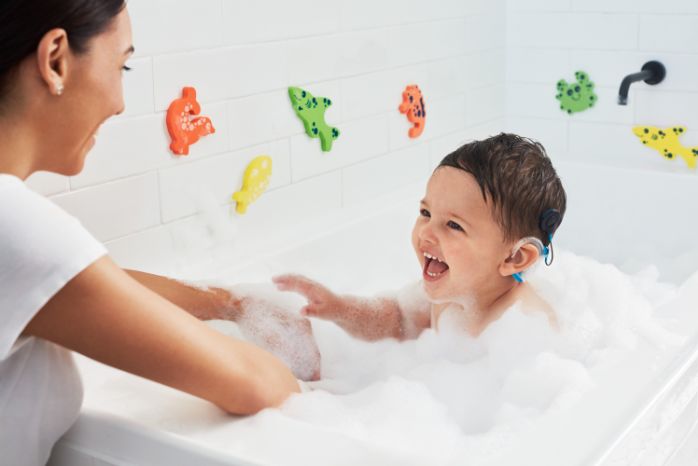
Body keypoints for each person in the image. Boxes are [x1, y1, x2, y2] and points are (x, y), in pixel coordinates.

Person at [0, 2, 316, 465]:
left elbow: (84, 284)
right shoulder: (15, 221)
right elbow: (256, 384)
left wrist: (228, 303)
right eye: (121, 64)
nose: (121, 101)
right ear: (55, 60)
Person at [275, 133, 567, 340]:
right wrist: (340, 308)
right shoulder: (452, 291)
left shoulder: (523, 326)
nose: (426, 232)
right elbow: (398, 320)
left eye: (453, 225)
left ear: (515, 257)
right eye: (426, 213)